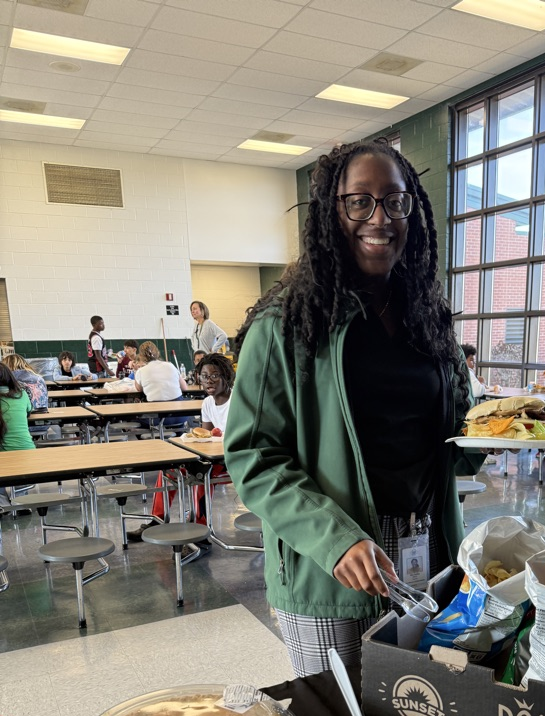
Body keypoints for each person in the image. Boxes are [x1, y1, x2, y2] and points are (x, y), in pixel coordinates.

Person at [224, 137, 481, 678]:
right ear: (331, 213)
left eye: (395, 200)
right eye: (359, 201)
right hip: (332, 563)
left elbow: (456, 443)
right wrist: (335, 541)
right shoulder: (286, 326)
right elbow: (254, 457)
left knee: (422, 710)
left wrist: (499, 431)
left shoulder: (429, 322)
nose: (379, 217)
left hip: (427, 544)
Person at [127, 353, 233, 550]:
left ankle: (200, 534)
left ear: (226, 376)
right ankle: (158, 519)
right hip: (215, 458)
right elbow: (206, 437)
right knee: (169, 469)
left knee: (200, 473)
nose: (208, 381)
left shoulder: (237, 401)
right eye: (204, 376)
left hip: (235, 460)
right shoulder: (208, 403)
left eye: (214, 375)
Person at [0, 363, 34, 509]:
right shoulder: (22, 394)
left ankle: (2, 502)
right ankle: (22, 501)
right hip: (28, 453)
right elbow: (29, 411)